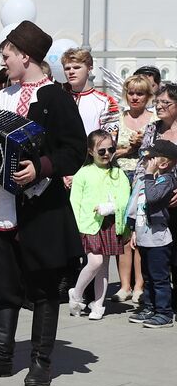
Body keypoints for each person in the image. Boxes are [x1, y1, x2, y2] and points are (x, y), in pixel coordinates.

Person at [0, 22, 86, 386]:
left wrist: (41, 166)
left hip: (42, 208)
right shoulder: (3, 96)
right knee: (3, 285)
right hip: (4, 205)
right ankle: (1, 356)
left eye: (7, 55)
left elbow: (75, 150)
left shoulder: (56, 98)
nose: (4, 61)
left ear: (25, 56)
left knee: (44, 285)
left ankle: (41, 361)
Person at [68, 130, 130, 320]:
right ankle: (76, 294)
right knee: (95, 261)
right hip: (89, 224)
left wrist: (112, 207)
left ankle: (98, 304)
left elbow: (126, 197)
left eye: (110, 150)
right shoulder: (83, 173)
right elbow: (74, 202)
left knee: (103, 267)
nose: (106, 154)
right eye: (101, 151)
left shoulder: (118, 173)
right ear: (90, 151)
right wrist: (78, 226)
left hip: (111, 223)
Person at [125, 140, 176, 328]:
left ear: (163, 163)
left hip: (158, 240)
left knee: (159, 278)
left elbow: (154, 198)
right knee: (147, 277)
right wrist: (134, 231)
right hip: (144, 236)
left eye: (150, 159)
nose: (146, 162)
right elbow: (136, 206)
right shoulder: (148, 179)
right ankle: (150, 308)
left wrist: (148, 176)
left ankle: (164, 313)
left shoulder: (166, 179)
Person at [114, 73, 154, 302]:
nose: (135, 97)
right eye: (131, 93)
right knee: (123, 233)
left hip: (144, 178)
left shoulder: (155, 118)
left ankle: (140, 284)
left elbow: (160, 150)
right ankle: (124, 285)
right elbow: (107, 151)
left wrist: (143, 146)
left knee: (140, 232)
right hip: (120, 177)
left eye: (140, 93)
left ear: (148, 96)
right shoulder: (118, 118)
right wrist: (128, 148)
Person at [62, 47, 120, 136]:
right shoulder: (58, 100)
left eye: (76, 67)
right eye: (67, 68)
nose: (71, 72)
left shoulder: (106, 102)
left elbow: (111, 138)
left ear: (89, 69)